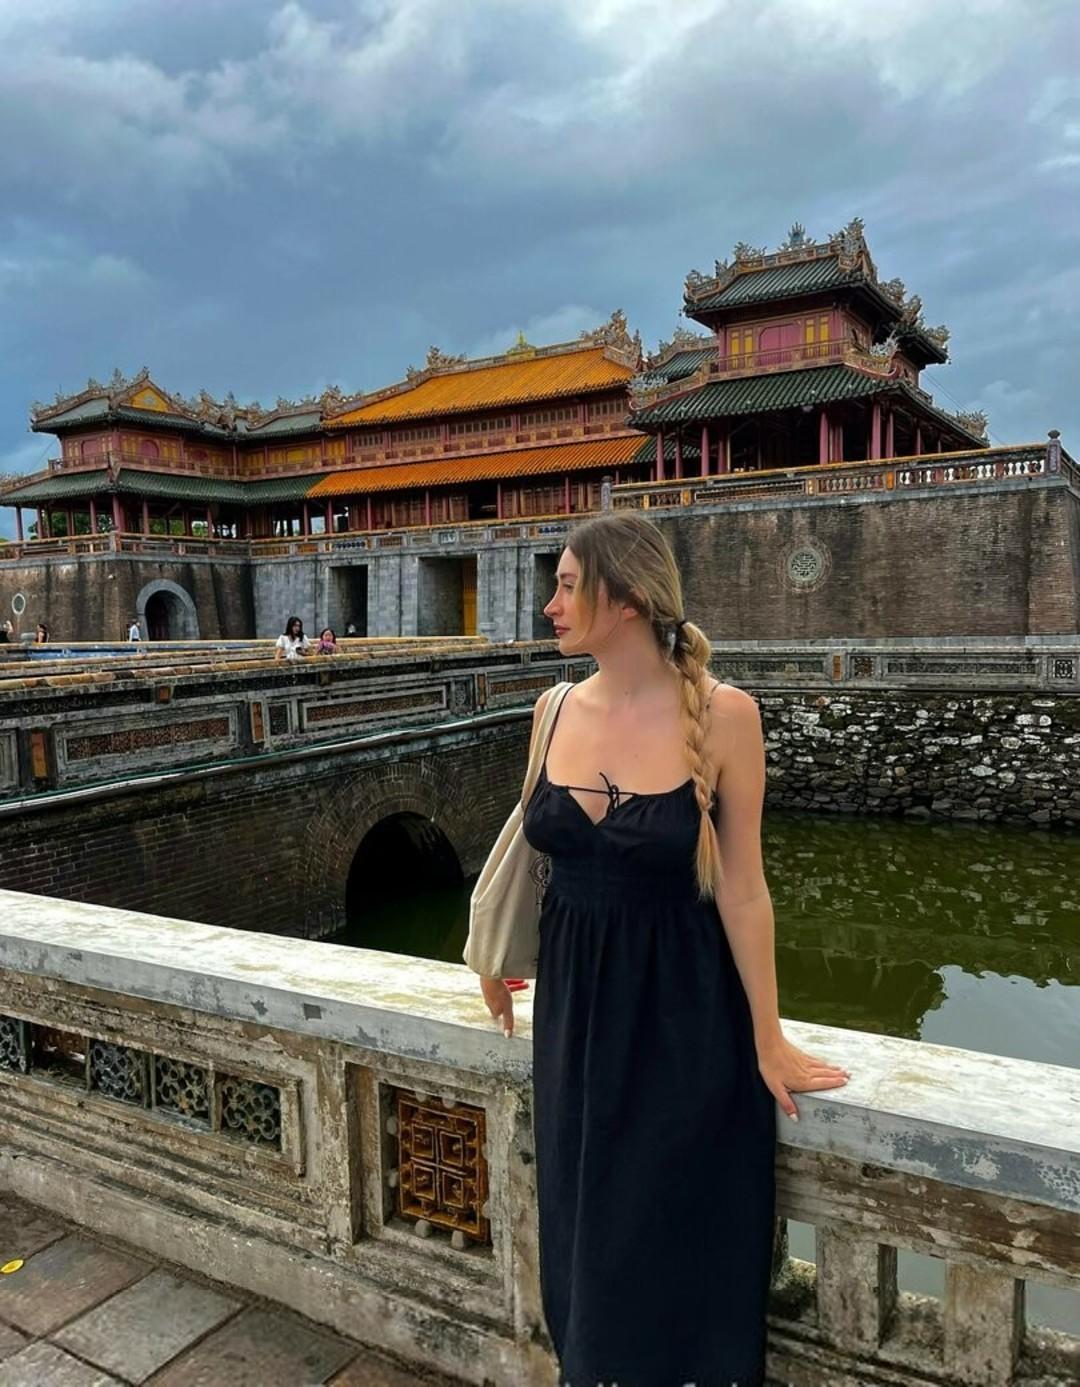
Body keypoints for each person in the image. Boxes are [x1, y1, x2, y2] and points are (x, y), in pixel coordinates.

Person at [477, 511, 849, 1387]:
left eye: (569, 585)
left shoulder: (725, 717)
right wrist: (492, 956)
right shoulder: (551, 709)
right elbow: (534, 858)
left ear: (629, 600)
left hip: (686, 1020)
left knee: (678, 1248)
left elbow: (745, 889)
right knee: (585, 1239)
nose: (550, 605)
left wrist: (768, 1035)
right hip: (574, 1023)